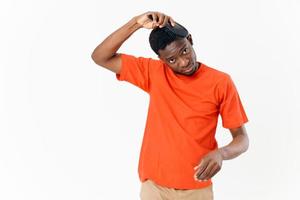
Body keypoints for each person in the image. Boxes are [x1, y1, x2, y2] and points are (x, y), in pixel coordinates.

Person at [91, 11, 249, 200]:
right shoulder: (154, 72)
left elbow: (242, 139)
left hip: (196, 188)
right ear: (162, 60)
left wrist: (221, 154)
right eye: (172, 60)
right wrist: (136, 23)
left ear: (190, 40)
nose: (183, 62)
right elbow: (100, 57)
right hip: (155, 187)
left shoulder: (220, 82)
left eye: (184, 50)